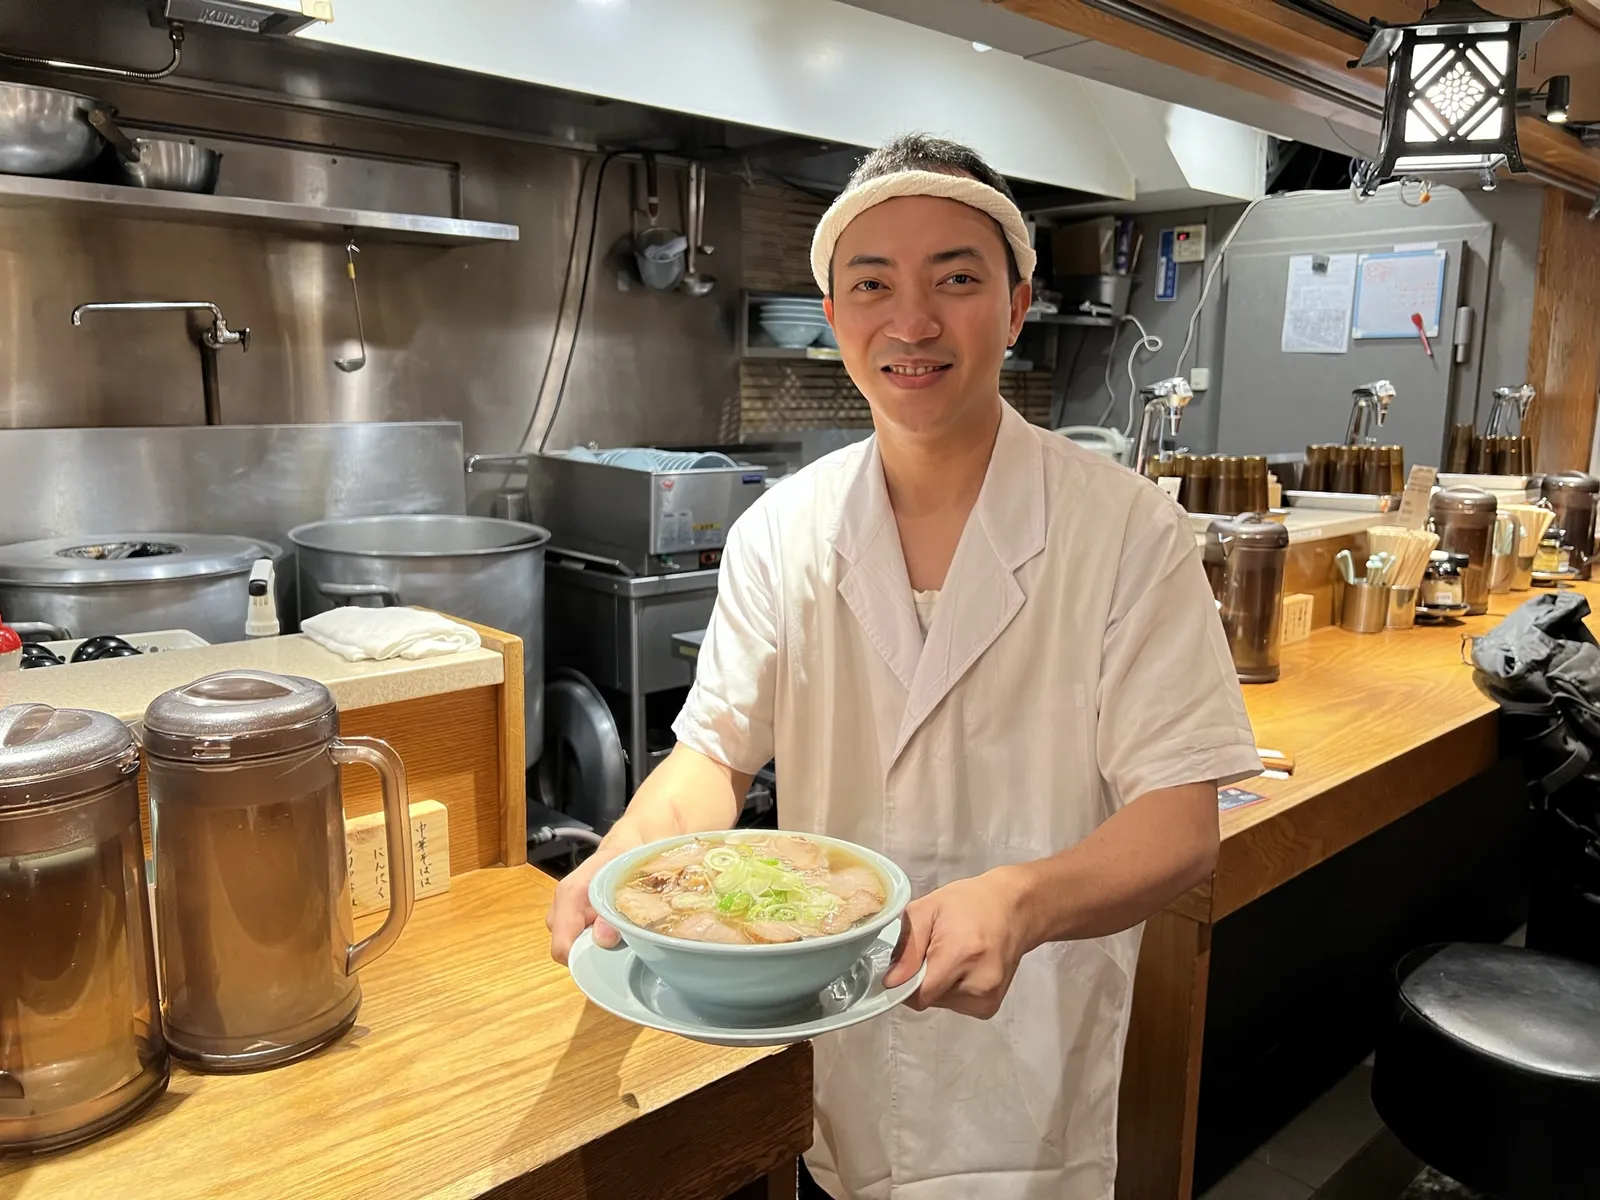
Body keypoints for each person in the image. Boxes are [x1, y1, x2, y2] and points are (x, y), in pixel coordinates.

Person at [548, 133, 1260, 1200]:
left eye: (956, 280)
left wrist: (1022, 900)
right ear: (833, 319)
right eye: (872, 284)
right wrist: (623, 865)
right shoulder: (781, 530)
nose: (912, 322)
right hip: (835, 1057)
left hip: (1030, 1060)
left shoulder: (1123, 529)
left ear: (1016, 307)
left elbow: (1178, 820)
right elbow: (712, 754)